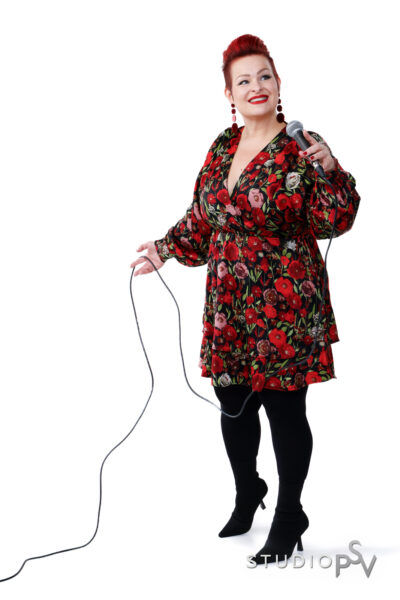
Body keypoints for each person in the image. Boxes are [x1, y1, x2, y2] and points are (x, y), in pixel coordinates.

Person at [130, 34, 361, 565]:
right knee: (233, 405)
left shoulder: (303, 147)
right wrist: (165, 249)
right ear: (229, 94)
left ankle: (289, 515)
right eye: (244, 80)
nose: (256, 86)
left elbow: (336, 220)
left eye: (264, 76)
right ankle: (247, 491)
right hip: (229, 300)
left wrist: (331, 170)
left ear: (278, 83)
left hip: (286, 300)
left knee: (284, 409)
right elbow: (203, 216)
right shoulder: (222, 145)